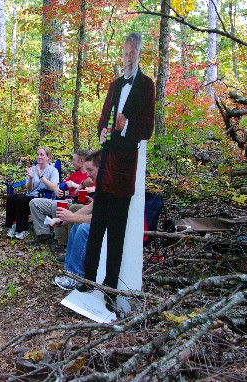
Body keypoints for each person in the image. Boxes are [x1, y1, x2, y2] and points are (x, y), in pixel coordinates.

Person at [78, 33, 155, 312]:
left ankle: (110, 290)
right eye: (125, 53)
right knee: (96, 226)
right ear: (121, 56)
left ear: (139, 54)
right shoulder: (114, 85)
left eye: (133, 52)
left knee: (117, 235)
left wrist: (127, 125)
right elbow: (103, 117)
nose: (129, 57)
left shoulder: (146, 85)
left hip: (124, 170)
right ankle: (87, 281)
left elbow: (147, 128)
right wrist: (103, 131)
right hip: (106, 163)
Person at [50, 150, 101, 290]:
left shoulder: (113, 186)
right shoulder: (103, 186)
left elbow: (101, 219)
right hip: (103, 224)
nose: (88, 174)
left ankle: (76, 276)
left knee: (84, 228)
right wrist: (64, 220)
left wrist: (72, 217)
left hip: (119, 231)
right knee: (78, 225)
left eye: (91, 170)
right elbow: (91, 207)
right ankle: (69, 273)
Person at [27, 149, 92, 246]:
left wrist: (76, 185)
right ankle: (43, 235)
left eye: (74, 160)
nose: (72, 162)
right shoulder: (74, 174)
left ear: (81, 161)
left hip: (79, 203)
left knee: (57, 204)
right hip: (66, 199)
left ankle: (61, 241)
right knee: (34, 202)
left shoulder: (92, 176)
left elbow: (95, 189)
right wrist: (57, 189)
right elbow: (61, 185)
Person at [4, 146, 59, 240]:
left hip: (43, 198)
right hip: (31, 195)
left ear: (48, 157)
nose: (39, 157)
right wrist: (30, 178)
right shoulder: (32, 169)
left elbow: (53, 187)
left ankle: (23, 229)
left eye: (42, 154)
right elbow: (29, 189)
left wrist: (40, 175)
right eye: (37, 155)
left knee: (22, 199)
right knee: (11, 197)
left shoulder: (53, 170)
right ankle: (12, 226)